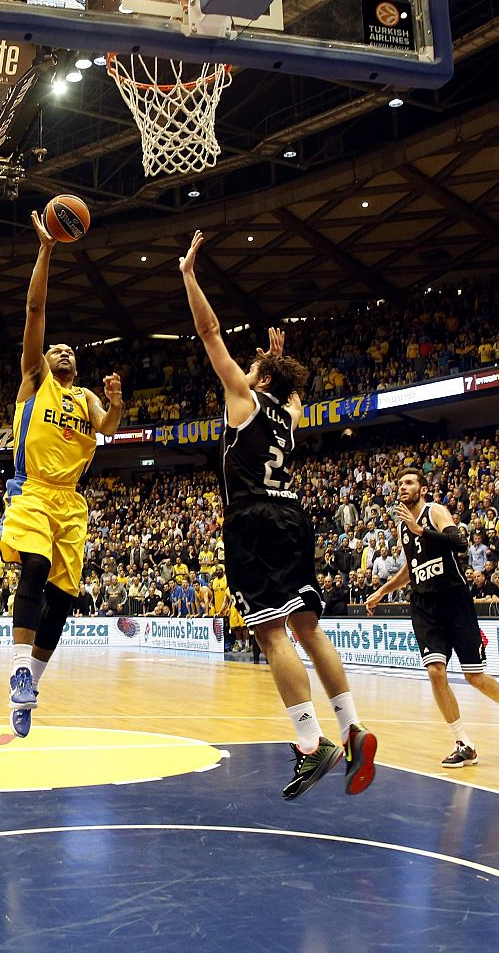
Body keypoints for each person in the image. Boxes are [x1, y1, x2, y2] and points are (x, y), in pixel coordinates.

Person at [180, 230, 377, 798]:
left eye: (252, 367)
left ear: (258, 380)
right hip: (293, 515)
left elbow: (209, 331)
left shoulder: (243, 399)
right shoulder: (291, 414)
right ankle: (353, 726)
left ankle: (309, 745)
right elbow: (294, 392)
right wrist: (278, 358)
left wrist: (191, 277)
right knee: (309, 630)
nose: (241, 369)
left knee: (271, 638)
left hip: (254, 519)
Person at [1, 208, 122, 737]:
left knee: (65, 598)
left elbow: (109, 428)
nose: (63, 352)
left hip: (71, 501)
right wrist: (47, 249)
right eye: (57, 349)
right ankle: (18, 672)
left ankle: (33, 685)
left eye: (70, 350)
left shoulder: (86, 398)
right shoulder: (35, 381)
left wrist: (115, 403)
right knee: (33, 566)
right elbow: (34, 308)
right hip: (31, 490)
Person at [366, 468, 499, 768]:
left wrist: (420, 530)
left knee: (473, 676)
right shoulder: (403, 529)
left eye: (409, 482)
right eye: (400, 483)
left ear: (422, 490)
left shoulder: (434, 512)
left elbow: (459, 543)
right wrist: (382, 591)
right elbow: (410, 570)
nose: (403, 487)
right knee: (436, 672)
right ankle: (464, 743)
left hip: (454, 600)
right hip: (424, 605)